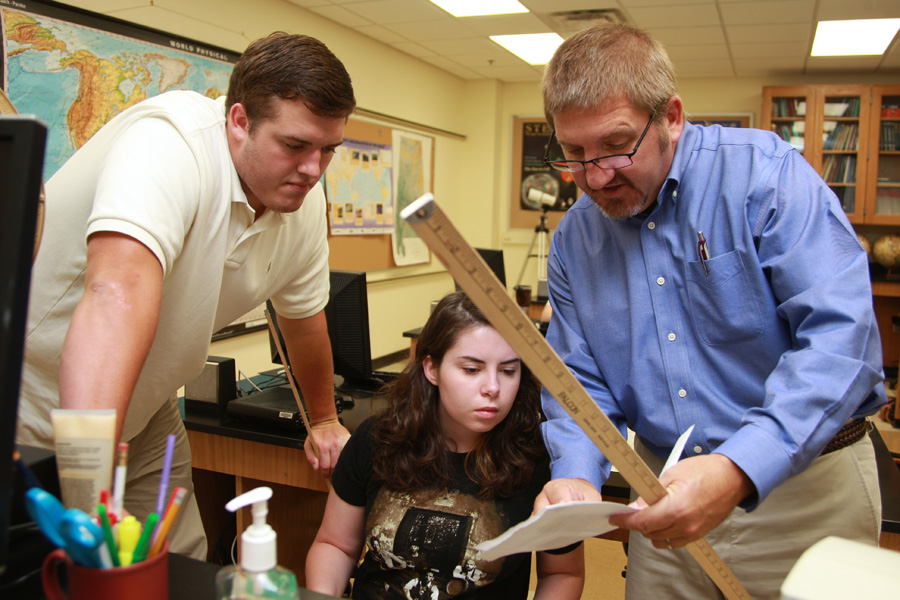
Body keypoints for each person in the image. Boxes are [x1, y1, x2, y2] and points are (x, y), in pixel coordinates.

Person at [534, 23, 886, 600]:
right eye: (574, 153)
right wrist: (574, 471)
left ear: (671, 116)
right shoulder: (575, 240)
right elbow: (579, 379)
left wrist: (736, 469)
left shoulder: (765, 177)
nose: (595, 177)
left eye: (617, 144)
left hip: (805, 491)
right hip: (662, 499)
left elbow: (840, 341)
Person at [16, 31, 356, 558]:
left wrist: (325, 418)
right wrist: (85, 489)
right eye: (294, 146)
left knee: (181, 569)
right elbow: (114, 298)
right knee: (63, 572)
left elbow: (304, 320)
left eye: (327, 150)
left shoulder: (301, 201)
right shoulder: (168, 144)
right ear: (239, 122)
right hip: (34, 406)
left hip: (146, 409)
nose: (313, 169)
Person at [305, 292, 584, 599]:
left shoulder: (539, 458)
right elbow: (335, 545)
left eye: (508, 370)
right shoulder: (376, 440)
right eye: (471, 369)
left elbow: (562, 572)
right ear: (432, 369)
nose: (492, 388)